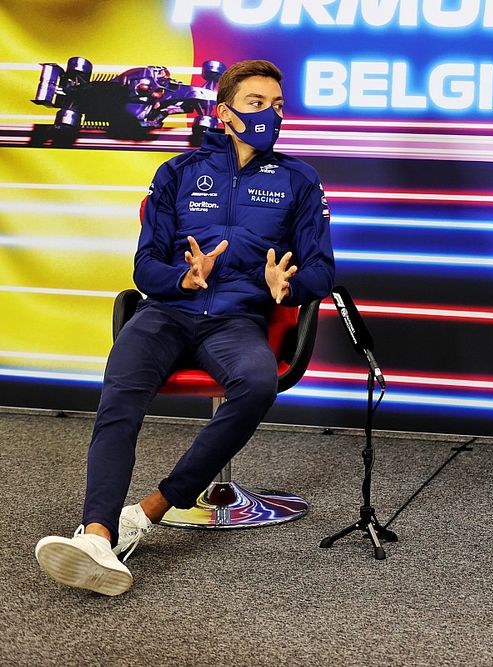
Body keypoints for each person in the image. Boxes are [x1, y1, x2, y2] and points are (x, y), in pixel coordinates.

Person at [34, 60, 335, 595]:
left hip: (237, 320)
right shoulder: (177, 172)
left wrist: (287, 285)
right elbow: (143, 266)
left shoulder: (299, 180)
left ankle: (148, 512)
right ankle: (98, 535)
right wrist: (183, 276)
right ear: (225, 113)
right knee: (120, 391)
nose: (271, 116)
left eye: (279, 106)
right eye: (257, 104)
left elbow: (321, 269)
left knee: (258, 383)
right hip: (166, 312)